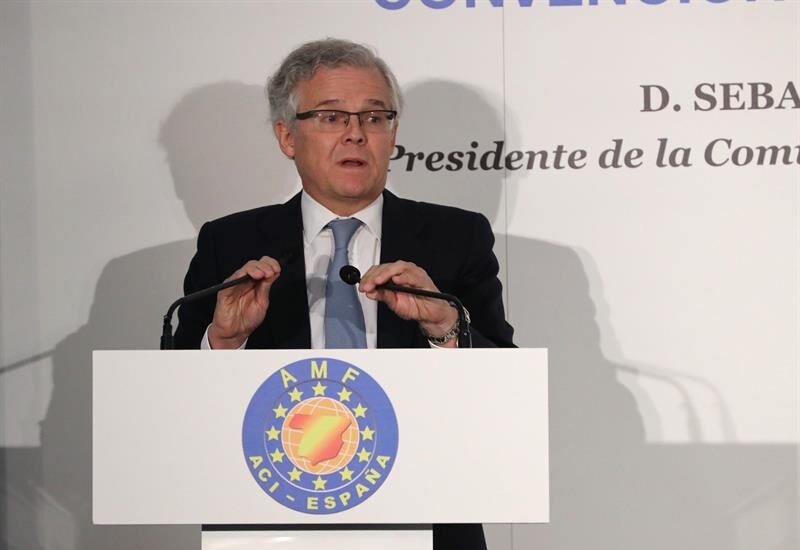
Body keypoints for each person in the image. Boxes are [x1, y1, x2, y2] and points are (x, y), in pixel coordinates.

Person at [175, 38, 514, 550]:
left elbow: (506, 392)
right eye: (332, 118)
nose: (357, 134)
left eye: (375, 118)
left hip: (424, 516)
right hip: (270, 521)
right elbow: (173, 403)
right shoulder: (231, 244)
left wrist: (445, 328)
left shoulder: (455, 238)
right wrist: (223, 342)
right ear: (287, 136)